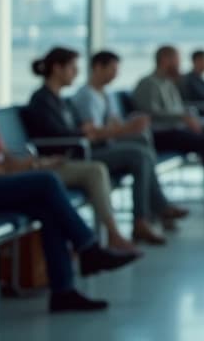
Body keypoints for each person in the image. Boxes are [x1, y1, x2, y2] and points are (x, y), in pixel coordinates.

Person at [0, 66, 140, 313]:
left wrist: (35, 163)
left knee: (48, 209)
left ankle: (63, 291)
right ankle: (89, 248)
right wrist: (14, 173)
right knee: (47, 182)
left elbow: (7, 159)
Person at [20, 47, 141, 253]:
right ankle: (110, 235)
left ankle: (104, 237)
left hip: (67, 156)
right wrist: (81, 133)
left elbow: (67, 130)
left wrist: (81, 131)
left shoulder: (59, 100)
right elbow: (53, 135)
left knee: (111, 162)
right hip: (55, 160)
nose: (76, 72)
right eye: (72, 67)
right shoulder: (42, 99)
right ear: (57, 69)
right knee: (97, 170)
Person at [72, 50, 190, 241]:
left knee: (142, 144)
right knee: (139, 155)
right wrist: (126, 129)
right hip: (94, 151)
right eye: (112, 69)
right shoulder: (87, 96)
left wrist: (128, 128)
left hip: (109, 144)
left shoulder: (105, 95)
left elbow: (113, 125)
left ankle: (155, 211)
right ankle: (146, 216)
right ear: (97, 68)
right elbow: (93, 134)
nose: (115, 75)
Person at [133, 46, 204, 216]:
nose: (180, 64)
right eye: (176, 60)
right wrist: (182, 118)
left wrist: (190, 119)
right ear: (165, 60)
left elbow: (179, 108)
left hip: (176, 130)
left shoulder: (168, 83)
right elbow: (151, 115)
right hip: (160, 135)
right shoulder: (148, 84)